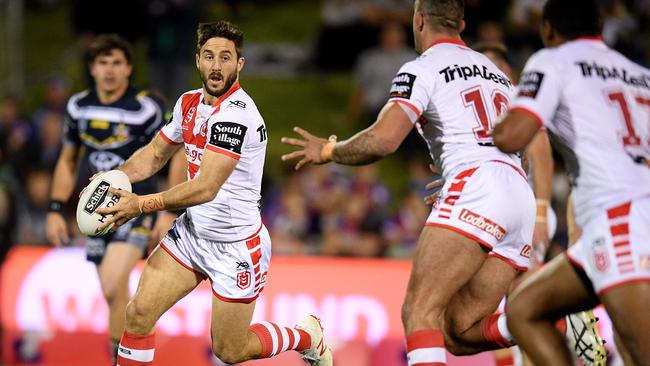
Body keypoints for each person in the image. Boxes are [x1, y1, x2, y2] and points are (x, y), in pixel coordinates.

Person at [282, 0, 537, 364]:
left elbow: (384, 140)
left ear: (418, 20)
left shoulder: (423, 68)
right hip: (517, 192)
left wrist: (329, 151)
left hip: (477, 187)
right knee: (459, 332)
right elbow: (523, 147)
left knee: (419, 310)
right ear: (461, 24)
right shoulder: (495, 72)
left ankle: (547, 313)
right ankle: (549, 316)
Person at [93, 21, 332, 366]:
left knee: (230, 350)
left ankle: (306, 335)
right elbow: (156, 154)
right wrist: (116, 177)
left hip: (235, 246)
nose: (216, 66)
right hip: (192, 235)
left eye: (225, 57)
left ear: (240, 64)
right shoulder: (189, 103)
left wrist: (141, 205)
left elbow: (206, 187)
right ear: (197, 61)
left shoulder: (237, 116)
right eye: (209, 56)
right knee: (139, 313)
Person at [493, 0, 650, 364]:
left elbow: (514, 135)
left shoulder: (554, 61)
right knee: (524, 309)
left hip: (620, 219)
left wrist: (501, 116)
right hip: (621, 217)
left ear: (547, 29)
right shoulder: (639, 73)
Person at [45, 34, 178, 364]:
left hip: (138, 206)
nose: (110, 70)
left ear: (129, 68)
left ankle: (127, 354)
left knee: (111, 284)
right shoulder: (78, 107)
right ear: (92, 67)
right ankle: (123, 355)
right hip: (96, 211)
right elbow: (67, 159)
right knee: (114, 294)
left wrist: (168, 210)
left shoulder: (146, 107)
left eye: (117, 62)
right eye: (103, 62)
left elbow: (175, 154)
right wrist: (54, 208)